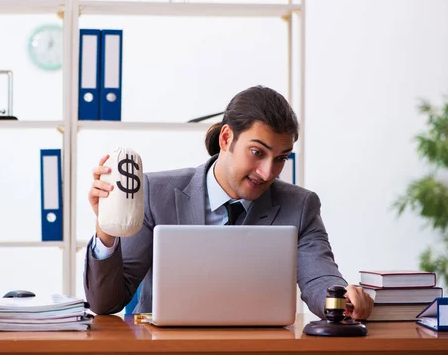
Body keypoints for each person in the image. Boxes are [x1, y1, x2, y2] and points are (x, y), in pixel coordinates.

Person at [84, 85, 374, 320]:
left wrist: (341, 298)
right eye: (257, 152)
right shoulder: (155, 193)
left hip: (258, 349)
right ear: (226, 138)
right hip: (165, 348)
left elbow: (318, 277)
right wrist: (106, 230)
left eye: (281, 158)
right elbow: (106, 303)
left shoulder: (300, 206)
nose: (268, 172)